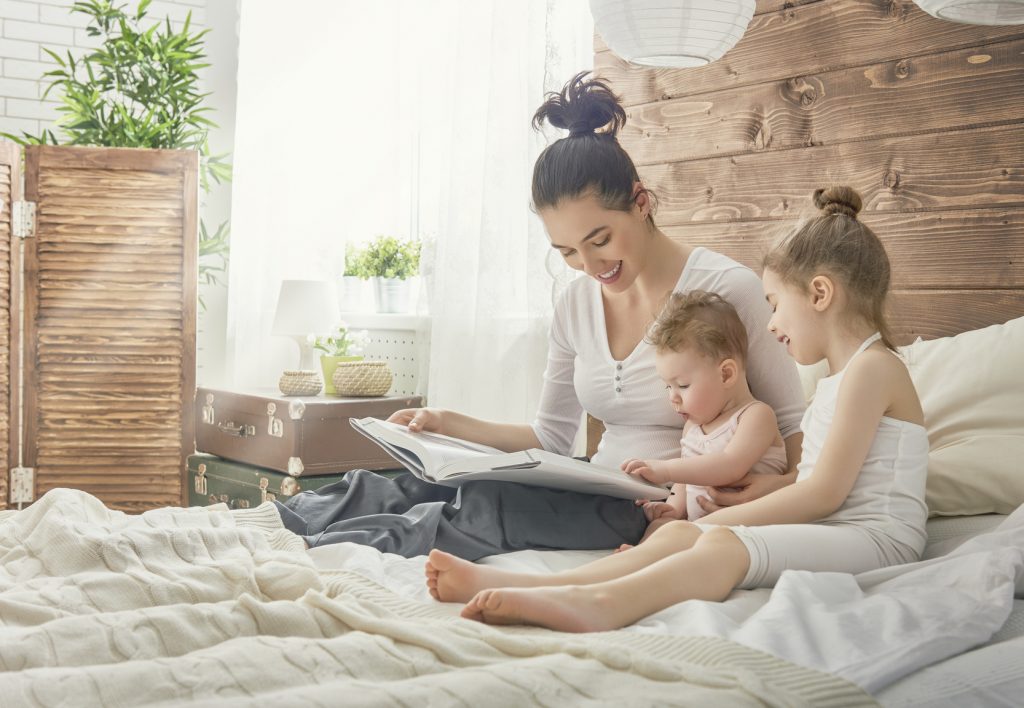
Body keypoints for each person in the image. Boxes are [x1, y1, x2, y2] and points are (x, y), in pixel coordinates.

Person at [274, 72, 806, 559]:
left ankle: (322, 552)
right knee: (412, 484)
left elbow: (793, 434)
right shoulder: (576, 305)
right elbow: (550, 438)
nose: (590, 265)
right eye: (568, 253)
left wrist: (780, 490)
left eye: (600, 240)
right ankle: (273, 528)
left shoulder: (725, 290)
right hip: (596, 482)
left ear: (640, 202)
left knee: (488, 510)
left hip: (657, 508)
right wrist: (443, 424)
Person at [425, 186, 931, 632]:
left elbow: (823, 494)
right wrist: (763, 493)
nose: (771, 325)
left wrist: (723, 524)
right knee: (688, 533)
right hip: (839, 527)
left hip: (876, 538)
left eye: (775, 303)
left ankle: (599, 603)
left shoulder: (874, 369)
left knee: (716, 544)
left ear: (819, 293)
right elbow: (819, 482)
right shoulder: (842, 379)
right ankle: (520, 582)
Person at [618, 290, 786, 548]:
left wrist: (665, 469)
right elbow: (687, 479)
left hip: (747, 532)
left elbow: (730, 466)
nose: (673, 398)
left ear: (726, 374)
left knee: (687, 538)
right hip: (700, 531)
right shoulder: (692, 427)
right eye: (668, 387)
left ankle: (649, 560)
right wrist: (673, 507)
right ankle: (641, 555)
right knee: (663, 527)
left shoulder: (755, 416)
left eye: (682, 385)